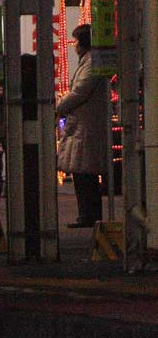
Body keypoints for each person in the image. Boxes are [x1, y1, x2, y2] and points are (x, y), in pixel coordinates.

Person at [57, 23, 107, 227]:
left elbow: (80, 91)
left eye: (76, 40)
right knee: (84, 172)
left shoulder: (91, 61)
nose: (74, 44)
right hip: (82, 124)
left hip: (85, 125)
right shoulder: (88, 60)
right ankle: (88, 214)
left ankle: (88, 215)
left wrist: (59, 105)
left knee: (84, 172)